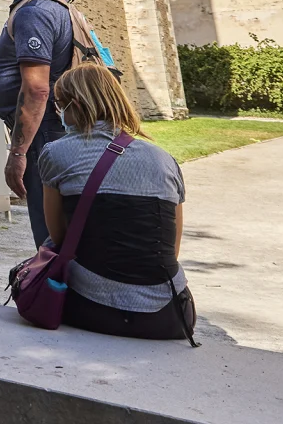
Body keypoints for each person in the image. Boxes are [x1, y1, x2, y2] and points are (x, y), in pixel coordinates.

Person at [38, 63, 197, 343]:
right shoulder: (165, 160)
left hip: (92, 306)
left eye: (59, 105)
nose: (57, 112)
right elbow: (172, 248)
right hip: (169, 314)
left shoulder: (56, 153)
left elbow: (59, 236)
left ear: (74, 105)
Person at [0, 0, 74, 246]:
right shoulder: (47, 2)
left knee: (50, 231)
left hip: (44, 135)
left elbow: (36, 89)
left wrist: (19, 152)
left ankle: (55, 290)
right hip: (50, 131)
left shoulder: (34, 11)